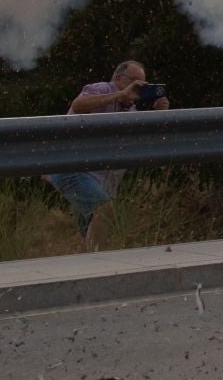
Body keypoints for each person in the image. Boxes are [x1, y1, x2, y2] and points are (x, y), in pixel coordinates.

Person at [44, 60, 169, 252]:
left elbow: (142, 145)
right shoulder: (102, 89)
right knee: (104, 210)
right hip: (73, 169)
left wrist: (160, 114)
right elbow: (79, 105)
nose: (139, 88)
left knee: (91, 236)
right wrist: (120, 94)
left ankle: (87, 266)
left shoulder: (131, 111)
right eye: (135, 81)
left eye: (144, 84)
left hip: (96, 178)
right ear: (119, 78)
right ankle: (100, 264)